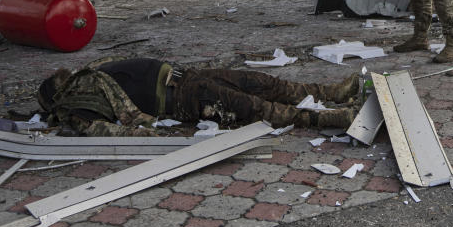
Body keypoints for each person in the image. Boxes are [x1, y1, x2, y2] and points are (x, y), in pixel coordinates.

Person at [36, 57, 362, 136]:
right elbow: (109, 131)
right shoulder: (76, 106)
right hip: (182, 99)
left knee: (261, 81)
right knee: (252, 106)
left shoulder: (87, 79)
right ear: (58, 95)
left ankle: (331, 92)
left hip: (186, 76)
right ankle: (330, 117)